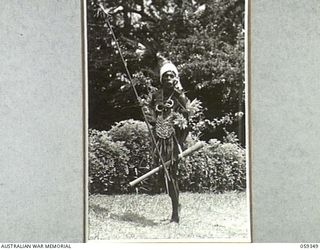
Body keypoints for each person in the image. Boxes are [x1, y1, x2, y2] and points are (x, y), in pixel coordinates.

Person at [142, 61, 191, 223]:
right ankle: (176, 205)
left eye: (171, 76)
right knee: (163, 175)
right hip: (158, 141)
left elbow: (188, 118)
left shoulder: (179, 96)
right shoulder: (156, 95)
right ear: (161, 79)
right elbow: (147, 108)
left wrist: (180, 140)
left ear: (176, 78)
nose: (168, 78)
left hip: (173, 141)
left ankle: (175, 215)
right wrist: (153, 120)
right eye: (166, 76)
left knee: (172, 175)